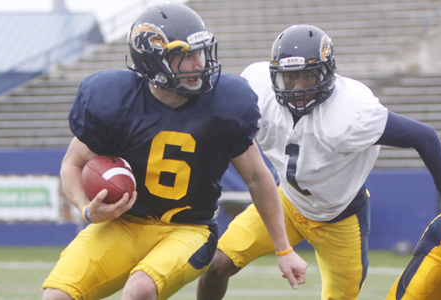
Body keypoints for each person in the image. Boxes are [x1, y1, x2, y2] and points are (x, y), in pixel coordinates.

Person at [41, 3, 306, 300]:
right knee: (56, 295)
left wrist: (284, 249)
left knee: (140, 289)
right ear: (153, 60)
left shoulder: (225, 103)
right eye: (186, 55)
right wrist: (87, 209)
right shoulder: (115, 100)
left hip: (189, 229)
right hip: (124, 225)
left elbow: (258, 178)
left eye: (201, 52)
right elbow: (72, 164)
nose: (200, 63)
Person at [197, 24, 441, 300]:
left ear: (327, 73)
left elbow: (424, 136)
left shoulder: (352, 111)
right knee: (217, 264)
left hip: (341, 219)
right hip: (285, 203)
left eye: (307, 77)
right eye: (289, 78)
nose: (297, 88)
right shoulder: (258, 89)